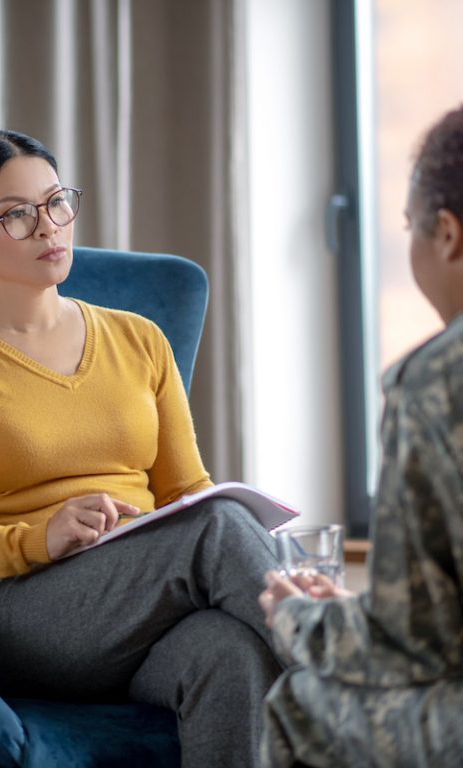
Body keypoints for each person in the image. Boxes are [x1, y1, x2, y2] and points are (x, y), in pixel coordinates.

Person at [0, 128, 282, 768]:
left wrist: (173, 531)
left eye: (56, 202)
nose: (49, 227)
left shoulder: (140, 340)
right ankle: (357, 675)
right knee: (219, 528)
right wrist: (31, 539)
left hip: (137, 603)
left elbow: (187, 491)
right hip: (13, 616)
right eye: (17, 214)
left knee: (230, 654)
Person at [258, 104, 463, 767]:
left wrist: (302, 621)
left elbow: (417, 641)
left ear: (447, 233)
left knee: (297, 704)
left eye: (409, 230)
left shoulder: (435, 380)